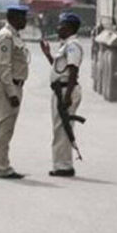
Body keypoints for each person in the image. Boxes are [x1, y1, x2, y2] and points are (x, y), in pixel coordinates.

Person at [0, 5, 30, 179]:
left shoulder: (13, 35)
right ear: (13, 17)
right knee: (2, 128)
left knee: (6, 129)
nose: (25, 21)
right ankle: (0, 166)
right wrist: (12, 93)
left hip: (12, 86)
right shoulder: (6, 37)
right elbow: (4, 67)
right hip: (7, 87)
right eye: (23, 17)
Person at [41, 12, 84, 177]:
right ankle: (62, 163)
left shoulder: (73, 45)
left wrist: (67, 96)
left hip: (67, 90)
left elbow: (73, 71)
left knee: (63, 128)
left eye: (61, 25)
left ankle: (64, 166)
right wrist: (47, 55)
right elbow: (60, 69)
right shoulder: (65, 45)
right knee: (60, 127)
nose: (58, 28)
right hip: (61, 89)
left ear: (70, 28)